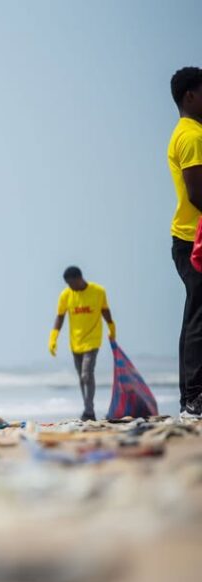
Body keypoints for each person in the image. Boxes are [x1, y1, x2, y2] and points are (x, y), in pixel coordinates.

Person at [167, 67, 202, 417]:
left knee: (197, 315)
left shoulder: (193, 132)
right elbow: (197, 194)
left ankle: (191, 398)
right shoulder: (191, 136)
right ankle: (193, 400)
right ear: (190, 96)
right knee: (198, 318)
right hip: (193, 240)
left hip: (191, 237)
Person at [48, 266, 116, 421]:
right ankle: (88, 410)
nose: (70, 287)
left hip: (92, 340)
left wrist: (111, 326)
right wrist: (53, 337)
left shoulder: (98, 291)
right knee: (81, 377)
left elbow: (105, 310)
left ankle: (89, 410)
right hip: (75, 342)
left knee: (87, 374)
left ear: (79, 278)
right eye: (68, 284)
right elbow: (60, 316)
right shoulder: (66, 295)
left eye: (72, 283)